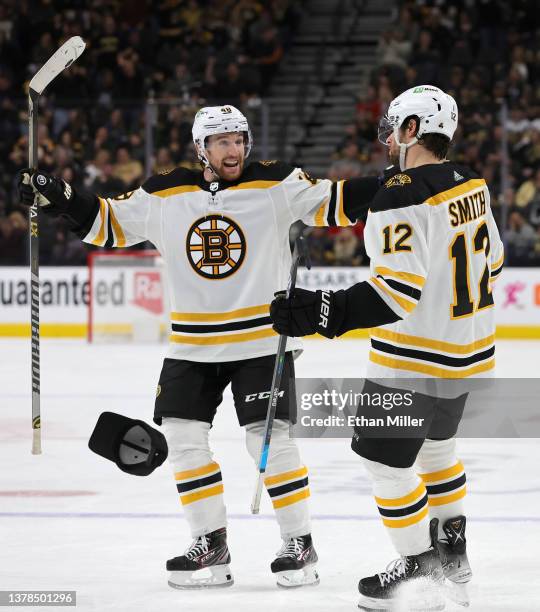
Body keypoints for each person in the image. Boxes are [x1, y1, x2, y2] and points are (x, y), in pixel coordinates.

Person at [17, 105, 381, 590]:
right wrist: (60, 197)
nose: (234, 150)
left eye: (239, 140)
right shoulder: (165, 192)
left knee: (267, 443)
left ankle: (300, 543)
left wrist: (397, 182)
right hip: (191, 343)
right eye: (223, 141)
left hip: (260, 338)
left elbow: (337, 201)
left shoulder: (275, 183)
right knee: (185, 444)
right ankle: (210, 543)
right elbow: (106, 222)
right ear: (201, 148)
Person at [270, 85, 504, 610]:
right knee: (437, 452)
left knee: (382, 462)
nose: (391, 140)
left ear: (413, 129)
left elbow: (394, 294)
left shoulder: (399, 192)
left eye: (397, 127)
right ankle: (454, 560)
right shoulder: (472, 182)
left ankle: (419, 571)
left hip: (412, 359)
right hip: (468, 353)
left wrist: (319, 312)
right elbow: (495, 262)